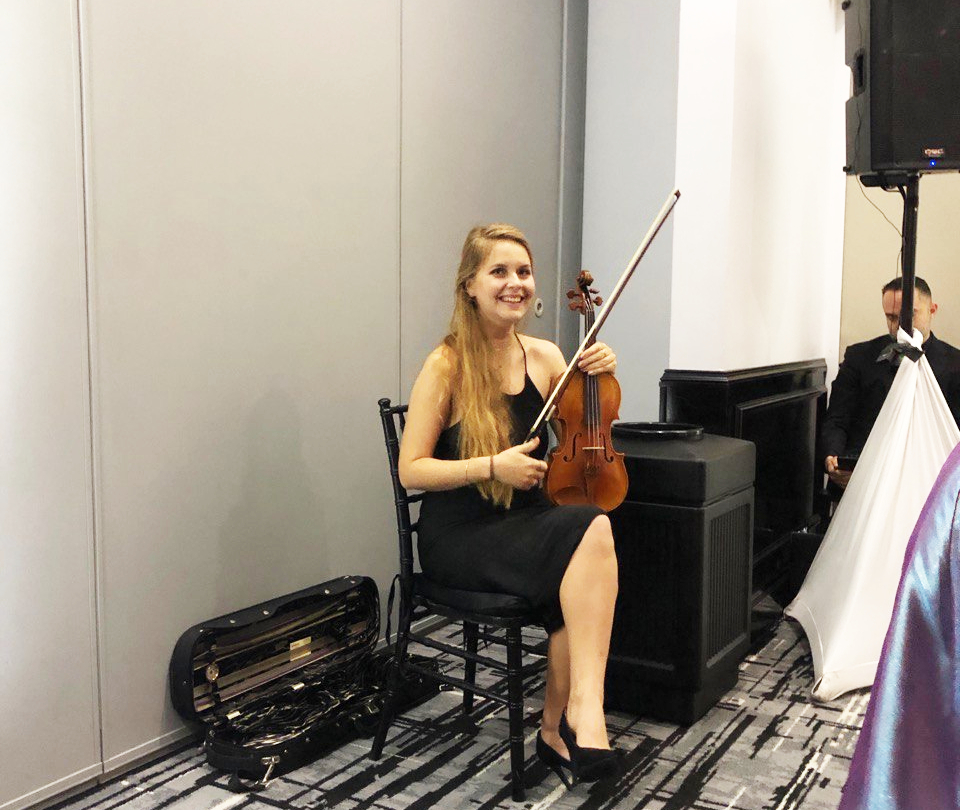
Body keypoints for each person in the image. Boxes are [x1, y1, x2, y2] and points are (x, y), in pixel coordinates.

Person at [398, 223, 620, 785]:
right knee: (585, 539)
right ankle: (574, 721)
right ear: (469, 285)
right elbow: (410, 471)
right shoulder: (445, 365)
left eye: (523, 271)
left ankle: (566, 722)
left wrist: (601, 374)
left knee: (589, 534)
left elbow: (586, 428)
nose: (514, 283)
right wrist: (492, 466)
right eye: (499, 272)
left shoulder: (546, 356)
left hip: (523, 522)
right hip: (460, 536)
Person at [821, 276, 960, 489]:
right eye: (892, 317)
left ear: (932, 310)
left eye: (910, 315)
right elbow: (838, 419)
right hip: (866, 477)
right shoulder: (859, 357)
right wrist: (833, 457)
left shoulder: (955, 364)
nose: (900, 326)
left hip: (928, 483)